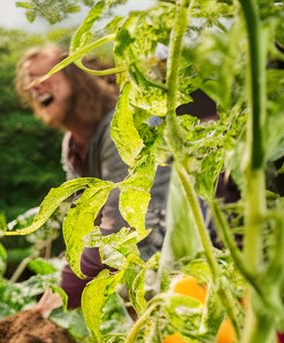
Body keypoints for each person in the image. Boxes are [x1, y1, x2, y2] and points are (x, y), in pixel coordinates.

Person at [14, 45, 171, 309]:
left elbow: (119, 224)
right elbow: (87, 222)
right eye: (29, 81)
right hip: (134, 264)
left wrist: (67, 292)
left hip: (168, 255)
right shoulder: (72, 146)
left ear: (76, 79)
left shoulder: (120, 129)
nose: (34, 87)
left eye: (44, 77)